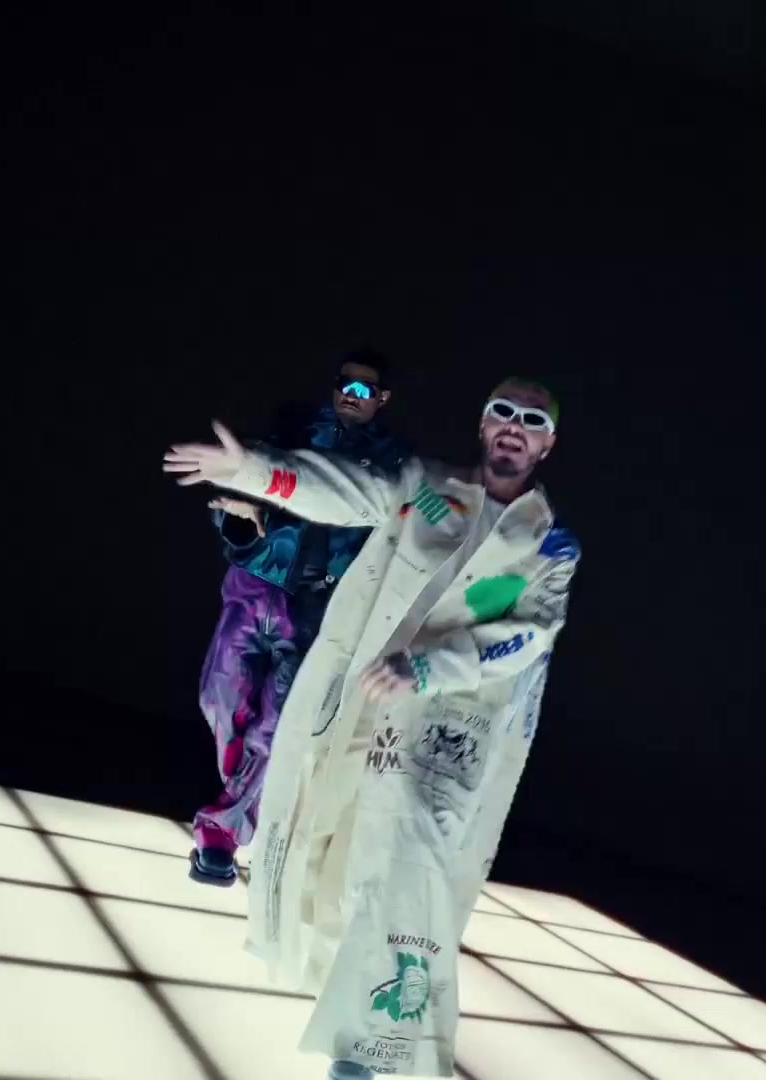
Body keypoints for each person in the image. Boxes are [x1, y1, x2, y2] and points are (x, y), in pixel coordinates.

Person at [163, 378, 579, 1079]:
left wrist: (431, 667)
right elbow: (349, 493)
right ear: (483, 425)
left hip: (443, 729)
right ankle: (341, 995)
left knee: (406, 869)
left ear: (547, 443)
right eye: (502, 412)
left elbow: (528, 633)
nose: (514, 426)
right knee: (331, 844)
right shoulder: (427, 489)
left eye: (531, 420)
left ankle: (365, 1043)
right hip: (361, 703)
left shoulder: (549, 544)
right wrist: (253, 473)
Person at [185, 349, 411, 887]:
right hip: (255, 587)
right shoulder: (291, 433)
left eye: (365, 390)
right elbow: (238, 493)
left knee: (279, 722)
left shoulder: (396, 468)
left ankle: (221, 832)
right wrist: (241, 517)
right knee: (219, 698)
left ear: (382, 399)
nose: (351, 396)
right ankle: (250, 807)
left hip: (316, 613)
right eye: (345, 384)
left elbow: (396, 534)